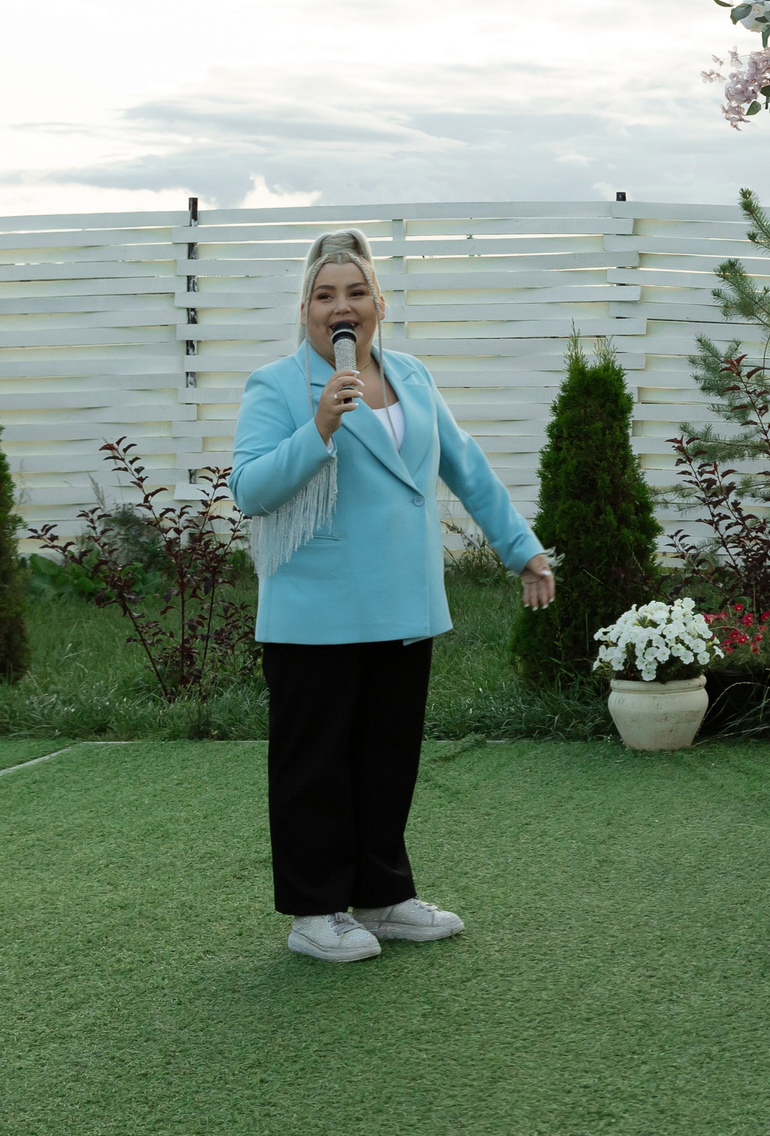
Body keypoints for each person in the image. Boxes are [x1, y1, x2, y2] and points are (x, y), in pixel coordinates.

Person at [231, 230, 557, 962]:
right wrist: (319, 424)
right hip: (315, 612)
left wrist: (523, 548)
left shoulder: (412, 374)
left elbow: (464, 465)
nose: (340, 306)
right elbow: (249, 488)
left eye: (355, 291)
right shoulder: (278, 386)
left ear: (378, 301)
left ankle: (381, 896)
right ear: (307, 310)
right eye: (324, 295)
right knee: (314, 763)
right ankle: (315, 912)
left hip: (404, 603)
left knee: (387, 755)